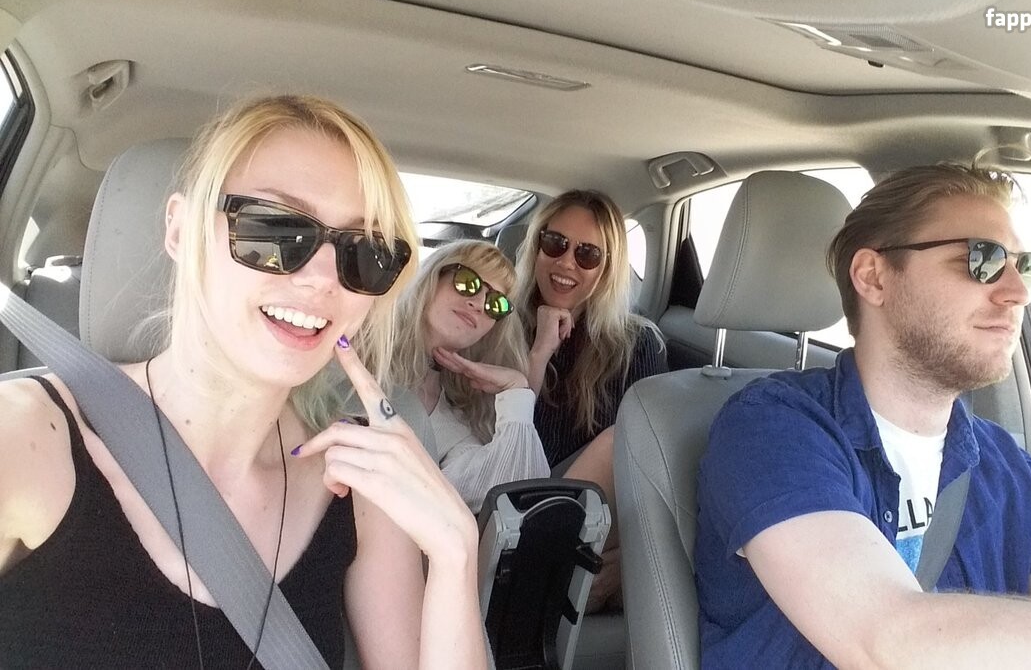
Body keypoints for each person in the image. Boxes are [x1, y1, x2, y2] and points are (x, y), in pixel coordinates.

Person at [0, 95, 484, 668]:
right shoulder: (23, 436)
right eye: (275, 228)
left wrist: (455, 554)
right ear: (181, 230)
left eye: (365, 252)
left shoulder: (361, 486)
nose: (323, 279)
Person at [694, 163, 1031, 668]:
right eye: (981, 259)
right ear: (873, 277)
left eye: (1024, 266)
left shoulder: (1007, 468)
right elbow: (886, 640)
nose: (1017, 292)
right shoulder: (773, 428)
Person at [512, 189, 666, 609]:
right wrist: (538, 354)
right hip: (510, 502)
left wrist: (627, 558)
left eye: (587, 254)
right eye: (555, 243)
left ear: (607, 268)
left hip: (596, 527)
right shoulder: (500, 324)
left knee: (628, 440)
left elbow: (649, 467)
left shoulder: (636, 344)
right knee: (619, 441)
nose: (566, 262)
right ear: (536, 246)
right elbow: (500, 443)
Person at [385, 239, 549, 513]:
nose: (479, 303)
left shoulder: (456, 420)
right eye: (468, 283)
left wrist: (517, 391)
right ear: (434, 277)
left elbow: (516, 492)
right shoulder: (361, 349)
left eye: (496, 303)